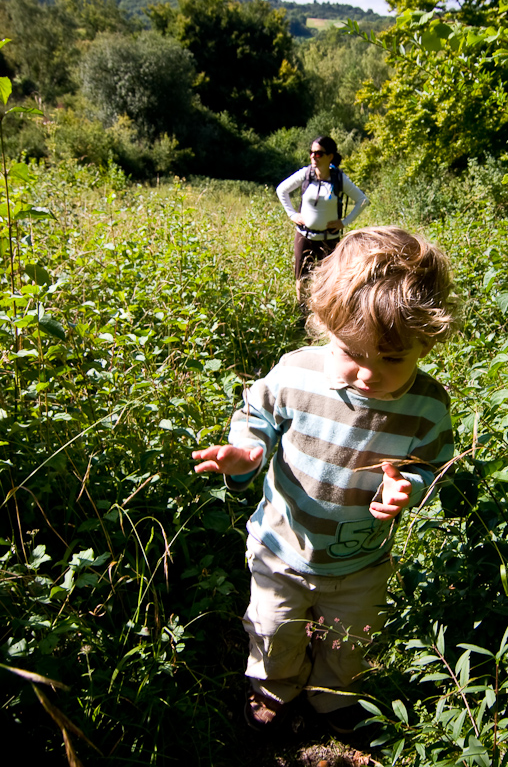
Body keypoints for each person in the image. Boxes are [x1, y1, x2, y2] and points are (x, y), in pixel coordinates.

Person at [192, 227, 459, 735]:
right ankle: (275, 688)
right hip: (281, 545)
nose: (365, 373)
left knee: (351, 636)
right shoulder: (296, 374)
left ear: (428, 340)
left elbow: (433, 464)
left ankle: (333, 696)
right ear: (323, 325)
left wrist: (410, 487)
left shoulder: (427, 406)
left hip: (361, 560)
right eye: (350, 352)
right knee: (272, 628)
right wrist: (246, 453)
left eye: (392, 358)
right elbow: (258, 419)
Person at [276, 136, 369, 300]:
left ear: (330, 156)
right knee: (301, 279)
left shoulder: (339, 179)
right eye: (311, 152)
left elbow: (363, 201)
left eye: (318, 153)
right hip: (304, 237)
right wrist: (292, 214)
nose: (313, 156)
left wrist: (344, 222)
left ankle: (324, 316)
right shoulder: (305, 174)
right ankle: (303, 317)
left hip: (330, 240)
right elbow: (281, 190)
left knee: (330, 281)